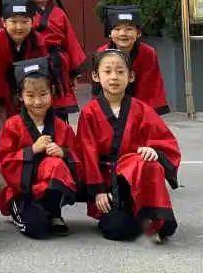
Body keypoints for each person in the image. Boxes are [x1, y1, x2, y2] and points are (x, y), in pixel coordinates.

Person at [77, 49, 180, 243]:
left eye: (120, 72)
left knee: (149, 162)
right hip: (107, 182)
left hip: (135, 177)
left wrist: (153, 150)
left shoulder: (142, 109)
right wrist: (98, 191)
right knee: (119, 230)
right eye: (107, 71)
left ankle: (154, 218)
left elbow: (164, 140)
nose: (114, 77)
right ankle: (136, 218)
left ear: (131, 76)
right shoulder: (89, 113)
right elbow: (86, 153)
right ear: (95, 76)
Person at [0, 57, 79, 239]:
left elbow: (77, 156)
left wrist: (63, 152)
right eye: (31, 95)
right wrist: (31, 150)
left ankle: (54, 211)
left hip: (47, 188)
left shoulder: (61, 126)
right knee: (38, 229)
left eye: (43, 94)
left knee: (56, 164)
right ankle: (17, 207)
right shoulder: (12, 125)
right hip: (22, 190)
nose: (38, 101)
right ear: (20, 96)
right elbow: (4, 161)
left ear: (52, 92)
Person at [0, 0, 48, 176]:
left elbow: (42, 74)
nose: (19, 27)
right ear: (3, 22)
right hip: (0, 96)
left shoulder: (38, 42)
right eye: (13, 21)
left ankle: (32, 163)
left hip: (28, 94)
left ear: (33, 21)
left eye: (24, 21)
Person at [24, 0, 87, 120]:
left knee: (58, 112)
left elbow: (71, 43)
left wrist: (73, 73)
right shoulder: (21, 13)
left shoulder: (59, 14)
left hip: (57, 66)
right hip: (32, 63)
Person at [95, 5, 170, 115]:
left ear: (138, 33)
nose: (123, 33)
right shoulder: (102, 53)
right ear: (110, 33)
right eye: (117, 29)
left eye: (129, 29)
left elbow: (149, 87)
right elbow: (99, 87)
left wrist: (138, 113)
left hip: (141, 104)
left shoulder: (148, 53)